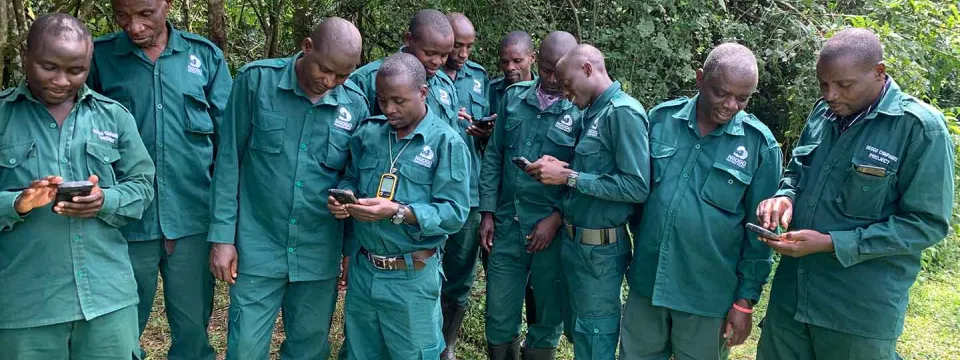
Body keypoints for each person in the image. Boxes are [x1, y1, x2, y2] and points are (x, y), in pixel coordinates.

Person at [755, 28, 953, 360]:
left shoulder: (918, 128)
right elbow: (797, 175)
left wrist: (833, 243)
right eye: (823, 84)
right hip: (791, 301)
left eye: (844, 85)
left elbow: (926, 225)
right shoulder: (823, 114)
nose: (830, 94)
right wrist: (784, 198)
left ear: (879, 72)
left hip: (856, 312)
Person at [207, 18, 368, 360]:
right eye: (325, 70)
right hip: (257, 245)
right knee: (245, 347)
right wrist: (222, 237)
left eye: (343, 75)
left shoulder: (355, 104)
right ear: (307, 47)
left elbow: (355, 177)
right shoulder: (256, 81)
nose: (330, 82)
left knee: (309, 348)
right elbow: (228, 161)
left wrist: (350, 249)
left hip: (318, 250)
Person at [0, 13, 156, 359]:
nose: (61, 80)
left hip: (107, 299)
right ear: (26, 56)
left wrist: (104, 199)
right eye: (48, 67)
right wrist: (19, 202)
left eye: (76, 71)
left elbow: (143, 187)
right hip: (25, 307)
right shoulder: (3, 117)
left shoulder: (113, 116)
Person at [87, 1, 232, 358]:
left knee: (193, 330)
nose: (134, 27)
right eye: (122, 16)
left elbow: (229, 147)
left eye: (145, 14)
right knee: (118, 332)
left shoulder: (206, 58)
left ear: (166, 5)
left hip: (192, 219)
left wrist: (226, 226)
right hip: (123, 222)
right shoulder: (97, 58)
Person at [619, 43, 782, 360]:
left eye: (743, 98)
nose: (731, 105)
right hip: (648, 285)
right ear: (699, 79)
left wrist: (744, 302)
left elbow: (759, 237)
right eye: (722, 93)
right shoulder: (661, 121)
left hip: (707, 298)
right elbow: (637, 198)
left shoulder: (760, 146)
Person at [330, 52, 470, 360]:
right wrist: (345, 197)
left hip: (411, 276)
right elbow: (350, 177)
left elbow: (454, 213)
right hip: (365, 271)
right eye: (382, 100)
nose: (389, 109)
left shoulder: (446, 143)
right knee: (359, 352)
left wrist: (398, 212)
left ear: (422, 93)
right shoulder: (369, 134)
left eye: (398, 101)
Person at [526, 44, 650, 360]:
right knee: (580, 333)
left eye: (568, 85)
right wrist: (562, 169)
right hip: (576, 245)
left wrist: (569, 178)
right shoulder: (593, 112)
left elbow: (636, 186)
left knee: (596, 337)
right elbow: (594, 173)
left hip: (601, 253)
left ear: (587, 69)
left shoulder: (623, 113)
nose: (565, 93)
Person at [479, 31, 579, 360]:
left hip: (550, 233)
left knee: (546, 317)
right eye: (548, 69)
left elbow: (583, 176)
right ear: (539, 60)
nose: (552, 79)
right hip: (507, 225)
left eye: (560, 73)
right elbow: (494, 156)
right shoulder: (514, 98)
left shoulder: (581, 112)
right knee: (498, 313)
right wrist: (488, 213)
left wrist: (557, 218)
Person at [437, 12, 492, 359]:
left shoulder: (478, 78)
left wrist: (485, 131)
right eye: (458, 45)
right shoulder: (424, 73)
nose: (463, 53)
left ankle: (447, 343)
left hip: (470, 191)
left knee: (460, 272)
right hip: (433, 191)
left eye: (470, 46)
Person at [350, 9, 460, 124]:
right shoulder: (368, 79)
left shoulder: (445, 85)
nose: (437, 61)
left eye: (444, 55)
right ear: (408, 39)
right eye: (429, 53)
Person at [488, 31, 537, 116]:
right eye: (504, 62)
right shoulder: (490, 91)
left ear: (532, 58)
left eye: (517, 61)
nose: (510, 67)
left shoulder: (543, 93)